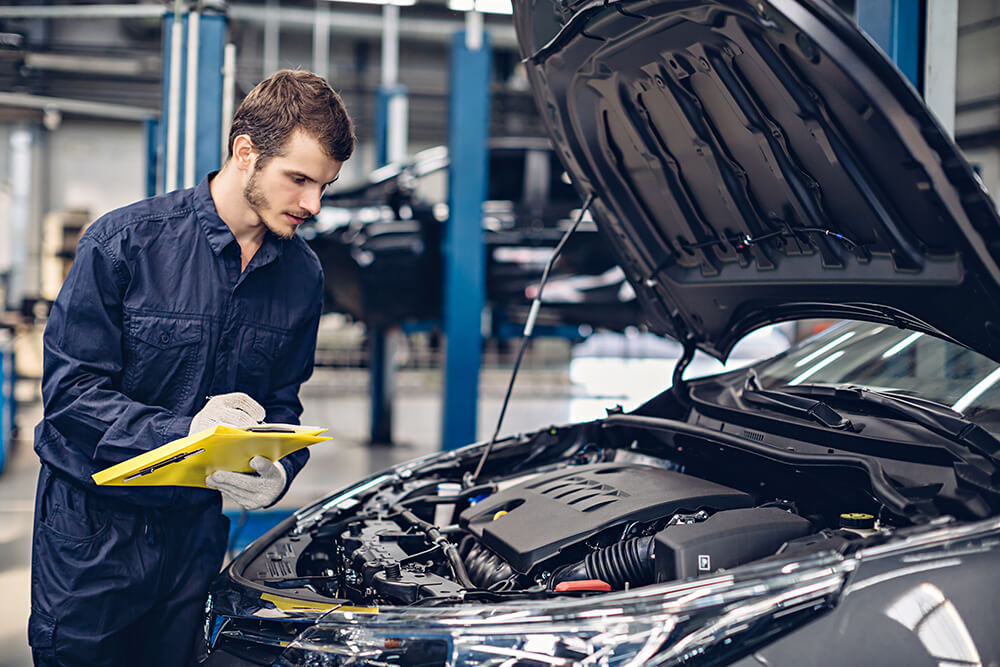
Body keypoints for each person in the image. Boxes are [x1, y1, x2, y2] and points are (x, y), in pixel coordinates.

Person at [28, 69, 354, 666]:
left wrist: (280, 469)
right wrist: (183, 436)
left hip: (195, 536)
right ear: (245, 152)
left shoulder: (302, 276)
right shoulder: (124, 244)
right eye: (299, 179)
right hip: (95, 535)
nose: (313, 204)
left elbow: (283, 406)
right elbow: (72, 398)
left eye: (325, 186)